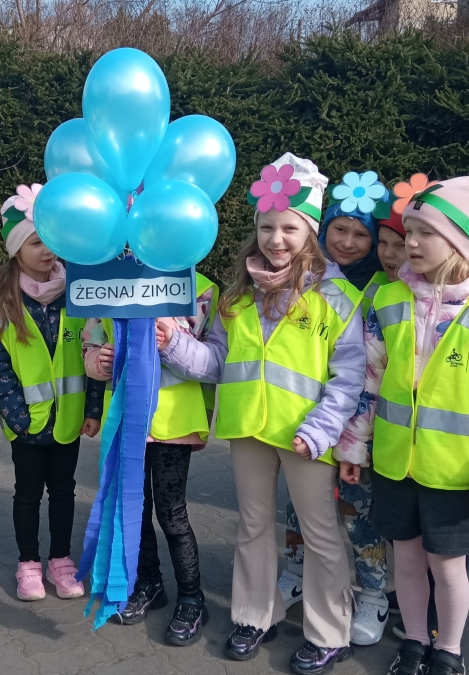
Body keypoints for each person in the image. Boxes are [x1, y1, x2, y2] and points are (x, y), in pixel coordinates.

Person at [160, 154, 363, 674]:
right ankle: (255, 615)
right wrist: (173, 344)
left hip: (305, 436)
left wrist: (319, 431)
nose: (276, 239)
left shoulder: (339, 297)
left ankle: (330, 631)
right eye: (267, 227)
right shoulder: (237, 295)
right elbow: (217, 363)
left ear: (310, 231)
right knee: (252, 525)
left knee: (319, 533)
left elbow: (348, 378)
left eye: (290, 228)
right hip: (248, 427)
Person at [338, 176, 469, 675]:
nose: (411, 243)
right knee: (406, 560)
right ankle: (413, 640)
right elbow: (370, 380)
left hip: (457, 472)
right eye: (409, 232)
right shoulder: (388, 300)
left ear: (460, 239)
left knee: (447, 567)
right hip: (395, 462)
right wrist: (353, 445)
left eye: (425, 232)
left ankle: (448, 650)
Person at [0, 183, 104, 603]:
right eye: (36, 242)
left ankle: (61, 561)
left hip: (69, 419)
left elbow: (92, 353)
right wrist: (16, 418)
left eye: (52, 240)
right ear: (16, 249)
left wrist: (92, 409)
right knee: (28, 495)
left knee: (64, 491)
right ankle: (29, 563)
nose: (47, 250)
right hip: (27, 424)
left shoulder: (79, 294)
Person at [83, 269, 217, 645]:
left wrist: (171, 339)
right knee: (134, 510)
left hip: (175, 421)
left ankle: (192, 598)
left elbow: (211, 360)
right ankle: (149, 583)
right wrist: (99, 361)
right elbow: (91, 341)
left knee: (172, 515)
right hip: (128, 418)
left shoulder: (201, 288)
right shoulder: (110, 281)